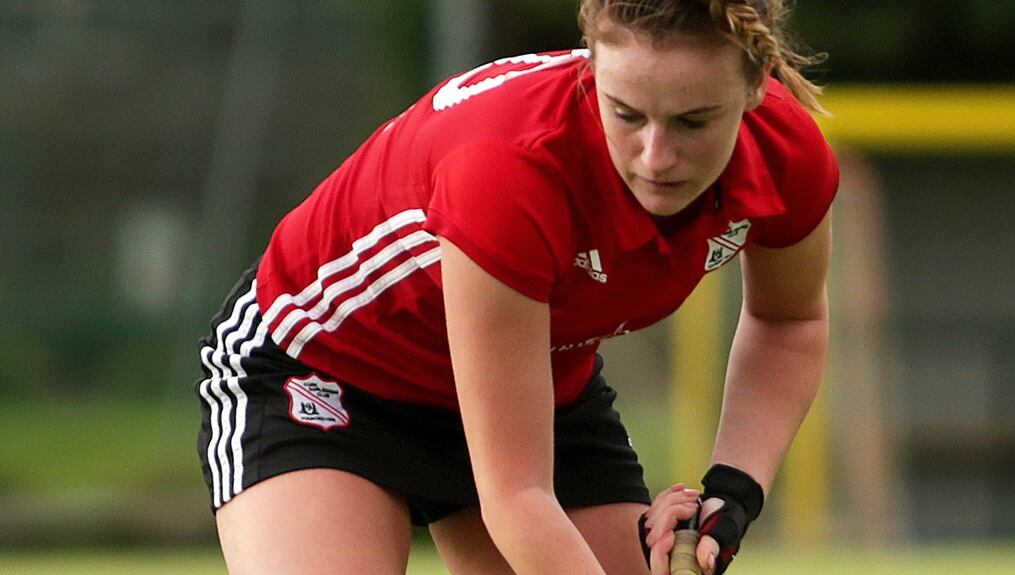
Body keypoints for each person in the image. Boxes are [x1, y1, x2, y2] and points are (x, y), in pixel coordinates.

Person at [195, 0, 838, 573]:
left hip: (538, 392)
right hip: (323, 374)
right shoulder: (511, 169)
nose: (655, 157)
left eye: (693, 122)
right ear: (592, 74)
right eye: (626, 114)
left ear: (756, 87)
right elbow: (517, 496)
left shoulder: (787, 156)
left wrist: (733, 491)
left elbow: (789, 322)